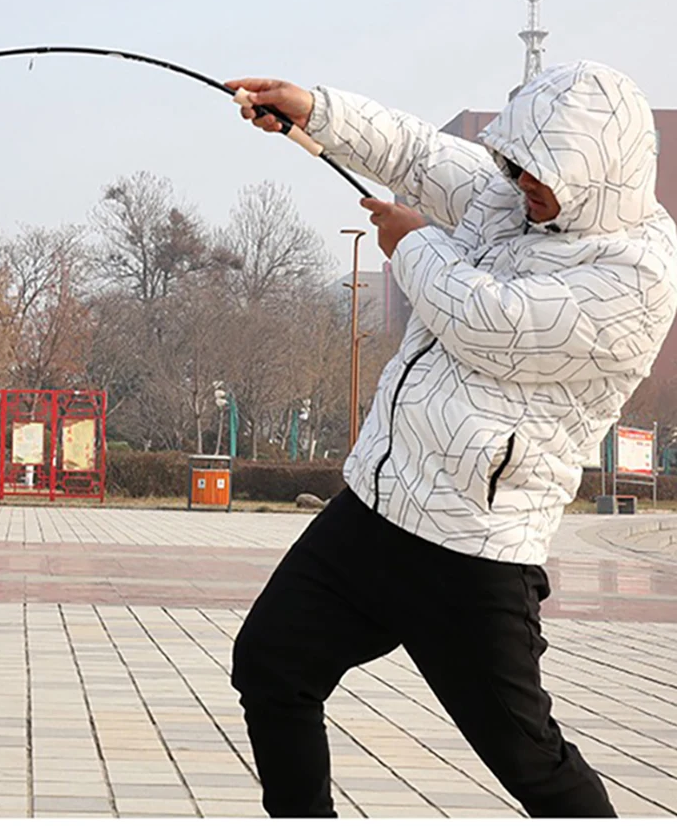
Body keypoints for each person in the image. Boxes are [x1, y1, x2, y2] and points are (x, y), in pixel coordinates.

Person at [226, 61, 677, 818]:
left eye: (543, 174)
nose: (523, 184)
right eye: (517, 165)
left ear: (599, 176)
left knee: (532, 764)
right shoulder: (511, 198)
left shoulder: (637, 275)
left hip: (474, 549)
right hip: (376, 511)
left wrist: (413, 244)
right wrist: (313, 111)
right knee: (271, 667)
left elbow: (489, 323)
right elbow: (415, 152)